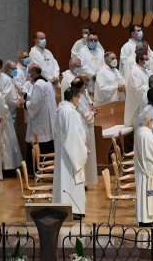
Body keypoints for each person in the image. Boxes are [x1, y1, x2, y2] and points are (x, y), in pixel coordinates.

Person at [52, 86, 89, 217]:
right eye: (79, 97)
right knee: (71, 180)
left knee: (66, 180)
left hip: (65, 152)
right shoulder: (70, 112)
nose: (79, 100)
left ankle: (71, 208)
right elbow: (73, 136)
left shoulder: (62, 110)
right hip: (70, 154)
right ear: (74, 98)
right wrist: (83, 150)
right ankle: (73, 209)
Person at [0, 79, 23, 176]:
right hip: (2, 122)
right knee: (6, 146)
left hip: (1, 122)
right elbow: (4, 108)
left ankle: (7, 167)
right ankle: (8, 168)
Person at [25, 64, 56, 156]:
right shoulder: (47, 82)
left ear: (34, 73)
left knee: (41, 146)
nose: (29, 76)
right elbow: (42, 98)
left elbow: (35, 104)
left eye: (29, 73)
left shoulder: (38, 84)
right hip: (48, 119)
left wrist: (25, 103)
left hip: (42, 121)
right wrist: (27, 96)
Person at [124, 48, 152, 126]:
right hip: (138, 105)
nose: (148, 61)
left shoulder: (144, 70)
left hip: (147, 101)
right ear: (140, 60)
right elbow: (137, 88)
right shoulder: (135, 71)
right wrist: (151, 87)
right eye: (146, 59)